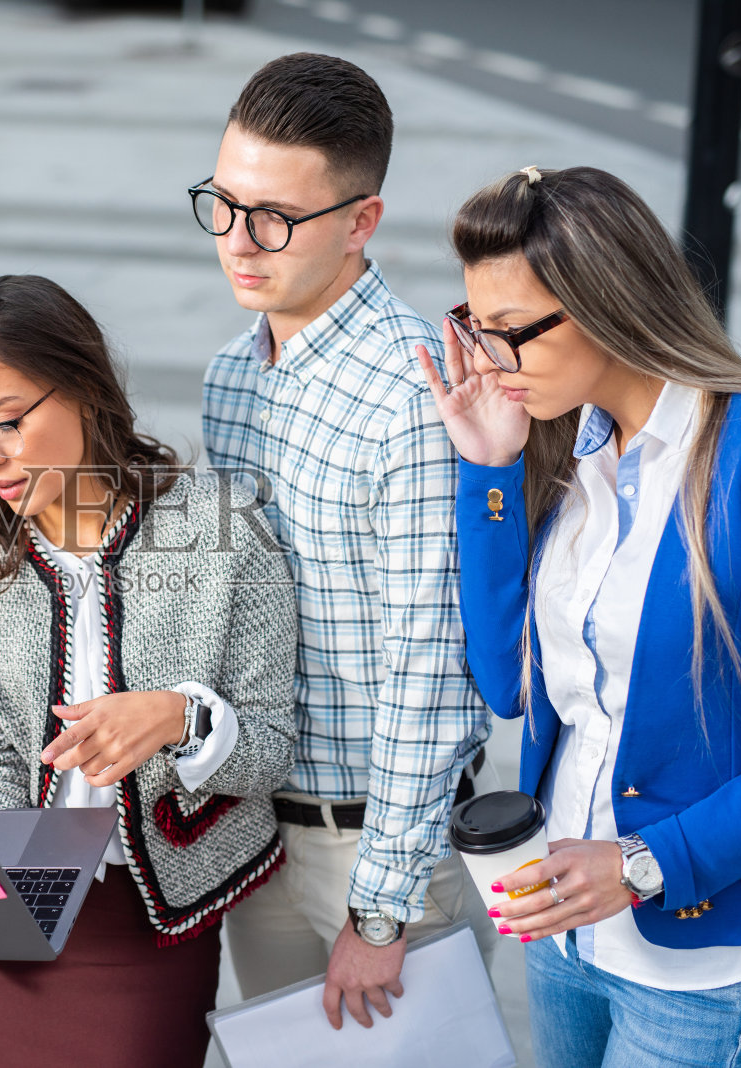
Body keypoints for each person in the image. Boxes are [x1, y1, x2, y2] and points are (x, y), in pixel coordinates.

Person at [417, 164, 741, 1067]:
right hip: (563, 933)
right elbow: (508, 683)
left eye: (509, 333)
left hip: (699, 953)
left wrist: (645, 862)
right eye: (472, 328)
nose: (486, 362)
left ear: (605, 304)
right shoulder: (571, 451)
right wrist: (489, 469)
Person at [0, 274, 298, 1068]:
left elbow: (270, 748)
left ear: (82, 387)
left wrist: (179, 718)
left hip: (150, 918)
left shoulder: (221, 530)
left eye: (3, 423)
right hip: (11, 914)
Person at [195, 52, 495, 1030]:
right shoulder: (229, 379)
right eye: (224, 204)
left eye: (275, 218)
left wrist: (382, 906)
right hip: (258, 841)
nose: (240, 243)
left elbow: (430, 674)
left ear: (361, 220)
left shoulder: (412, 399)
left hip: (379, 856)